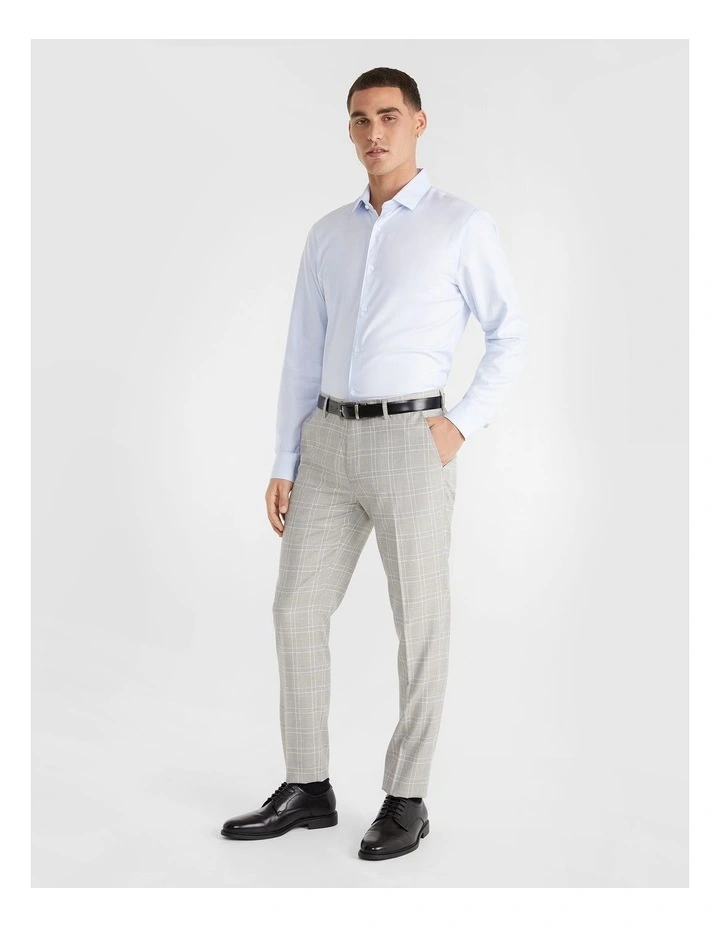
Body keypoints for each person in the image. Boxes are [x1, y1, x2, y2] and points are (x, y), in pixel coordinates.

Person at [221, 66, 529, 861]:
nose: (374, 132)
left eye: (389, 116)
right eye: (360, 119)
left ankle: (407, 797)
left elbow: (509, 333)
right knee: (296, 610)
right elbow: (303, 349)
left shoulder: (461, 225)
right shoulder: (329, 233)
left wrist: (457, 427)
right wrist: (286, 457)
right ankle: (308, 786)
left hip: (410, 440)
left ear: (419, 122)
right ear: (349, 131)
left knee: (420, 622)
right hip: (327, 441)